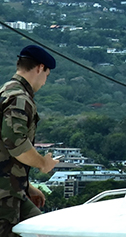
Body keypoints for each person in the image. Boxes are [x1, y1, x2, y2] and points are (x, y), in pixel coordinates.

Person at [0, 45, 58, 236]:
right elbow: (15, 144)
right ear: (40, 68)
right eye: (47, 75)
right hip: (4, 194)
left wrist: (27, 186)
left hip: (12, 188)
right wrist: (43, 163)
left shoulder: (6, 91)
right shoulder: (19, 98)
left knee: (43, 230)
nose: (44, 82)